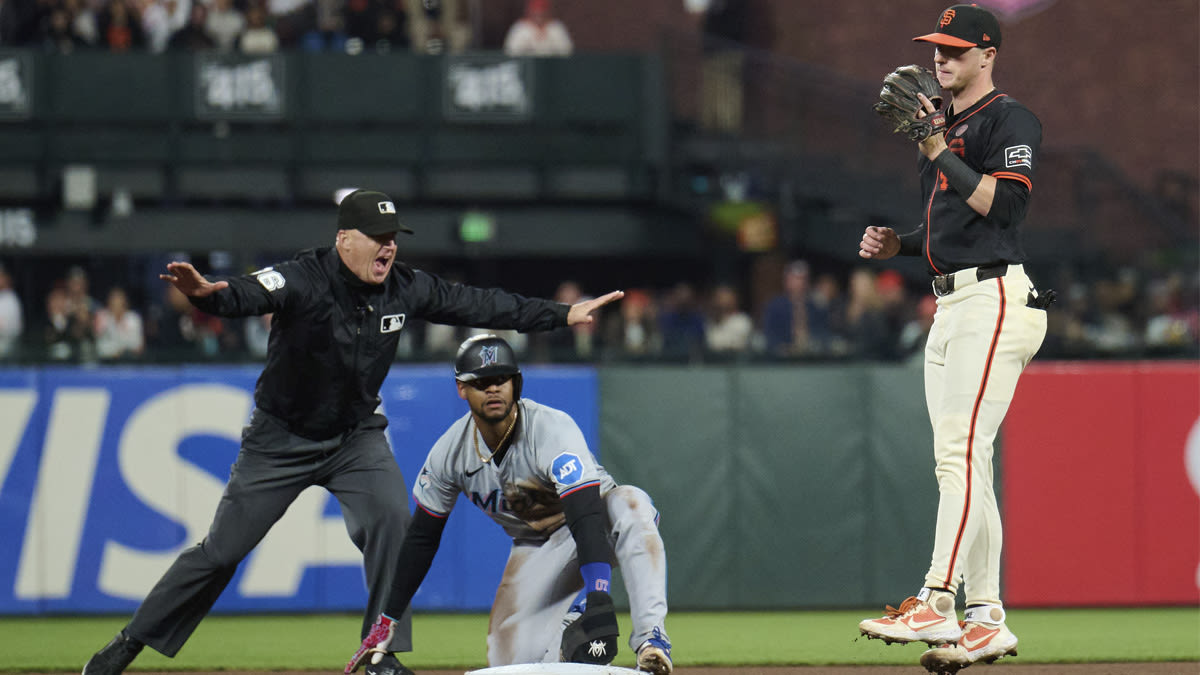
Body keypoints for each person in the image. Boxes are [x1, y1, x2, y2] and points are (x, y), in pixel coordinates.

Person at [81, 189, 623, 675]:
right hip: (280, 440)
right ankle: (130, 642)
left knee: (392, 519)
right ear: (344, 240)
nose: (388, 249)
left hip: (354, 438)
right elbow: (248, 292)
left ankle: (380, 655)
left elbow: (479, 303)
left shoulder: (403, 288)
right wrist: (206, 297)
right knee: (221, 552)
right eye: (377, 238)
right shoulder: (303, 277)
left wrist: (562, 313)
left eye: (393, 239)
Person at [855, 6, 1050, 673]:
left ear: (987, 54)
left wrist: (938, 151)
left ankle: (937, 598)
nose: (941, 59)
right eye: (937, 49)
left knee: (960, 454)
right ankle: (986, 618)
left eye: (956, 50)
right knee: (965, 463)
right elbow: (951, 230)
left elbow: (1007, 207)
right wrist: (900, 244)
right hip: (951, 300)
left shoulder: (1008, 118)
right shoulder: (944, 124)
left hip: (995, 296)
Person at [345, 334, 672, 674]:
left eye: (501, 379)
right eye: (482, 381)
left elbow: (586, 513)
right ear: (462, 389)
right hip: (535, 548)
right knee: (510, 663)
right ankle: (566, 635)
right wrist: (388, 619)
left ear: (516, 384)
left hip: (595, 524)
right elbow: (421, 539)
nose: (493, 389)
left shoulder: (550, 429)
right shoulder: (449, 453)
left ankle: (652, 638)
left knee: (631, 503)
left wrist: (599, 594)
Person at [503, 0, 572, 57]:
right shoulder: (520, 28)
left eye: (541, 12)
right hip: (526, 68)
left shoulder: (556, 28)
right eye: (536, 11)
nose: (538, 15)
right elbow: (511, 52)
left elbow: (567, 51)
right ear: (530, 11)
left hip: (553, 68)